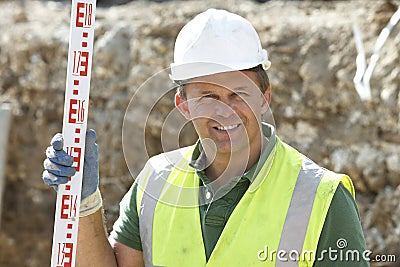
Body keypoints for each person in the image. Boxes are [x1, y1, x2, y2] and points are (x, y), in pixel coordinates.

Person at [42, 9, 369, 267]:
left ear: (264, 98)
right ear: (182, 106)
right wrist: (83, 202)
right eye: (207, 96)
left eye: (239, 94)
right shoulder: (155, 183)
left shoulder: (321, 197)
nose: (224, 111)